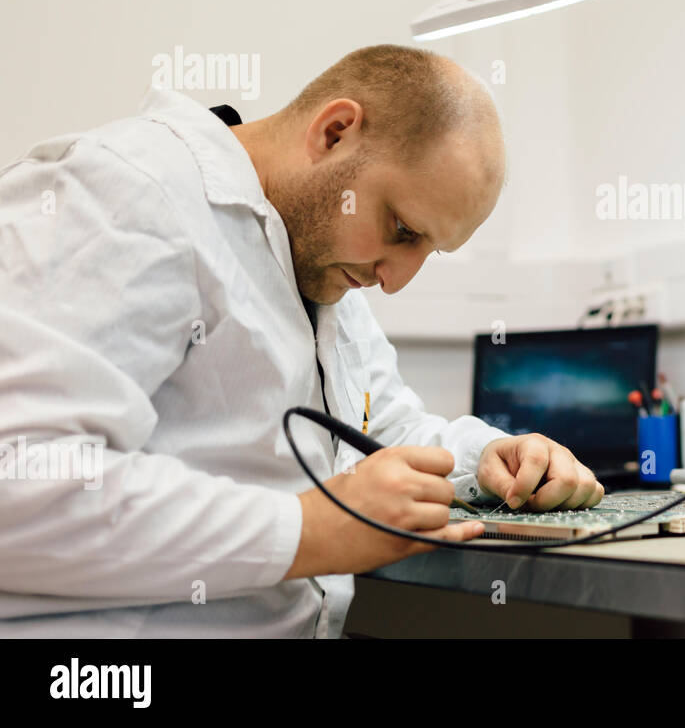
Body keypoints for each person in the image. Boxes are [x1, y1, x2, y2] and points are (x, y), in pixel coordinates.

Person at [0, 44, 603, 637]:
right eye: (402, 229)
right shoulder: (122, 189)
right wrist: (307, 529)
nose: (396, 279)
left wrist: (492, 461)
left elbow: (378, 435)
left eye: (428, 251)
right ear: (335, 132)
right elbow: (21, 477)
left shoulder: (320, 264)